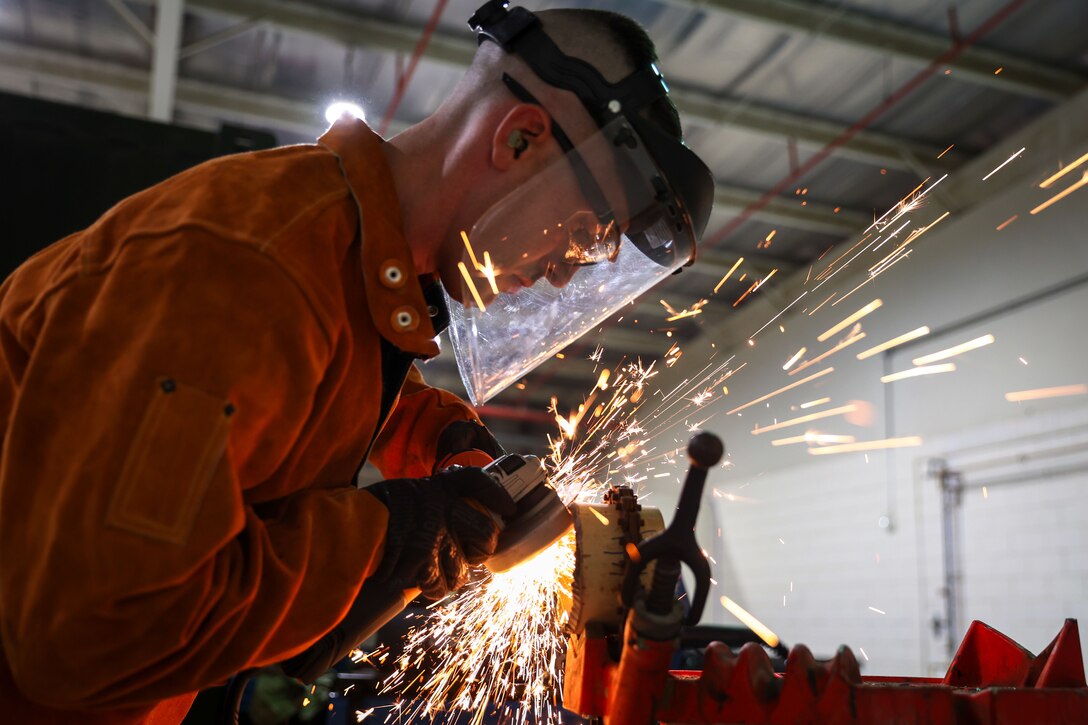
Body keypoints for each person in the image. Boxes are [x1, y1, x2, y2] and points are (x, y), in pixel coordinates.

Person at [0, 2, 713, 722]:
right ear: (522, 139)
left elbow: (298, 382)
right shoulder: (248, 265)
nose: (568, 272)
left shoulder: (340, 264)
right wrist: (386, 539)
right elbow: (89, 633)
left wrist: (440, 439)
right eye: (589, 232)